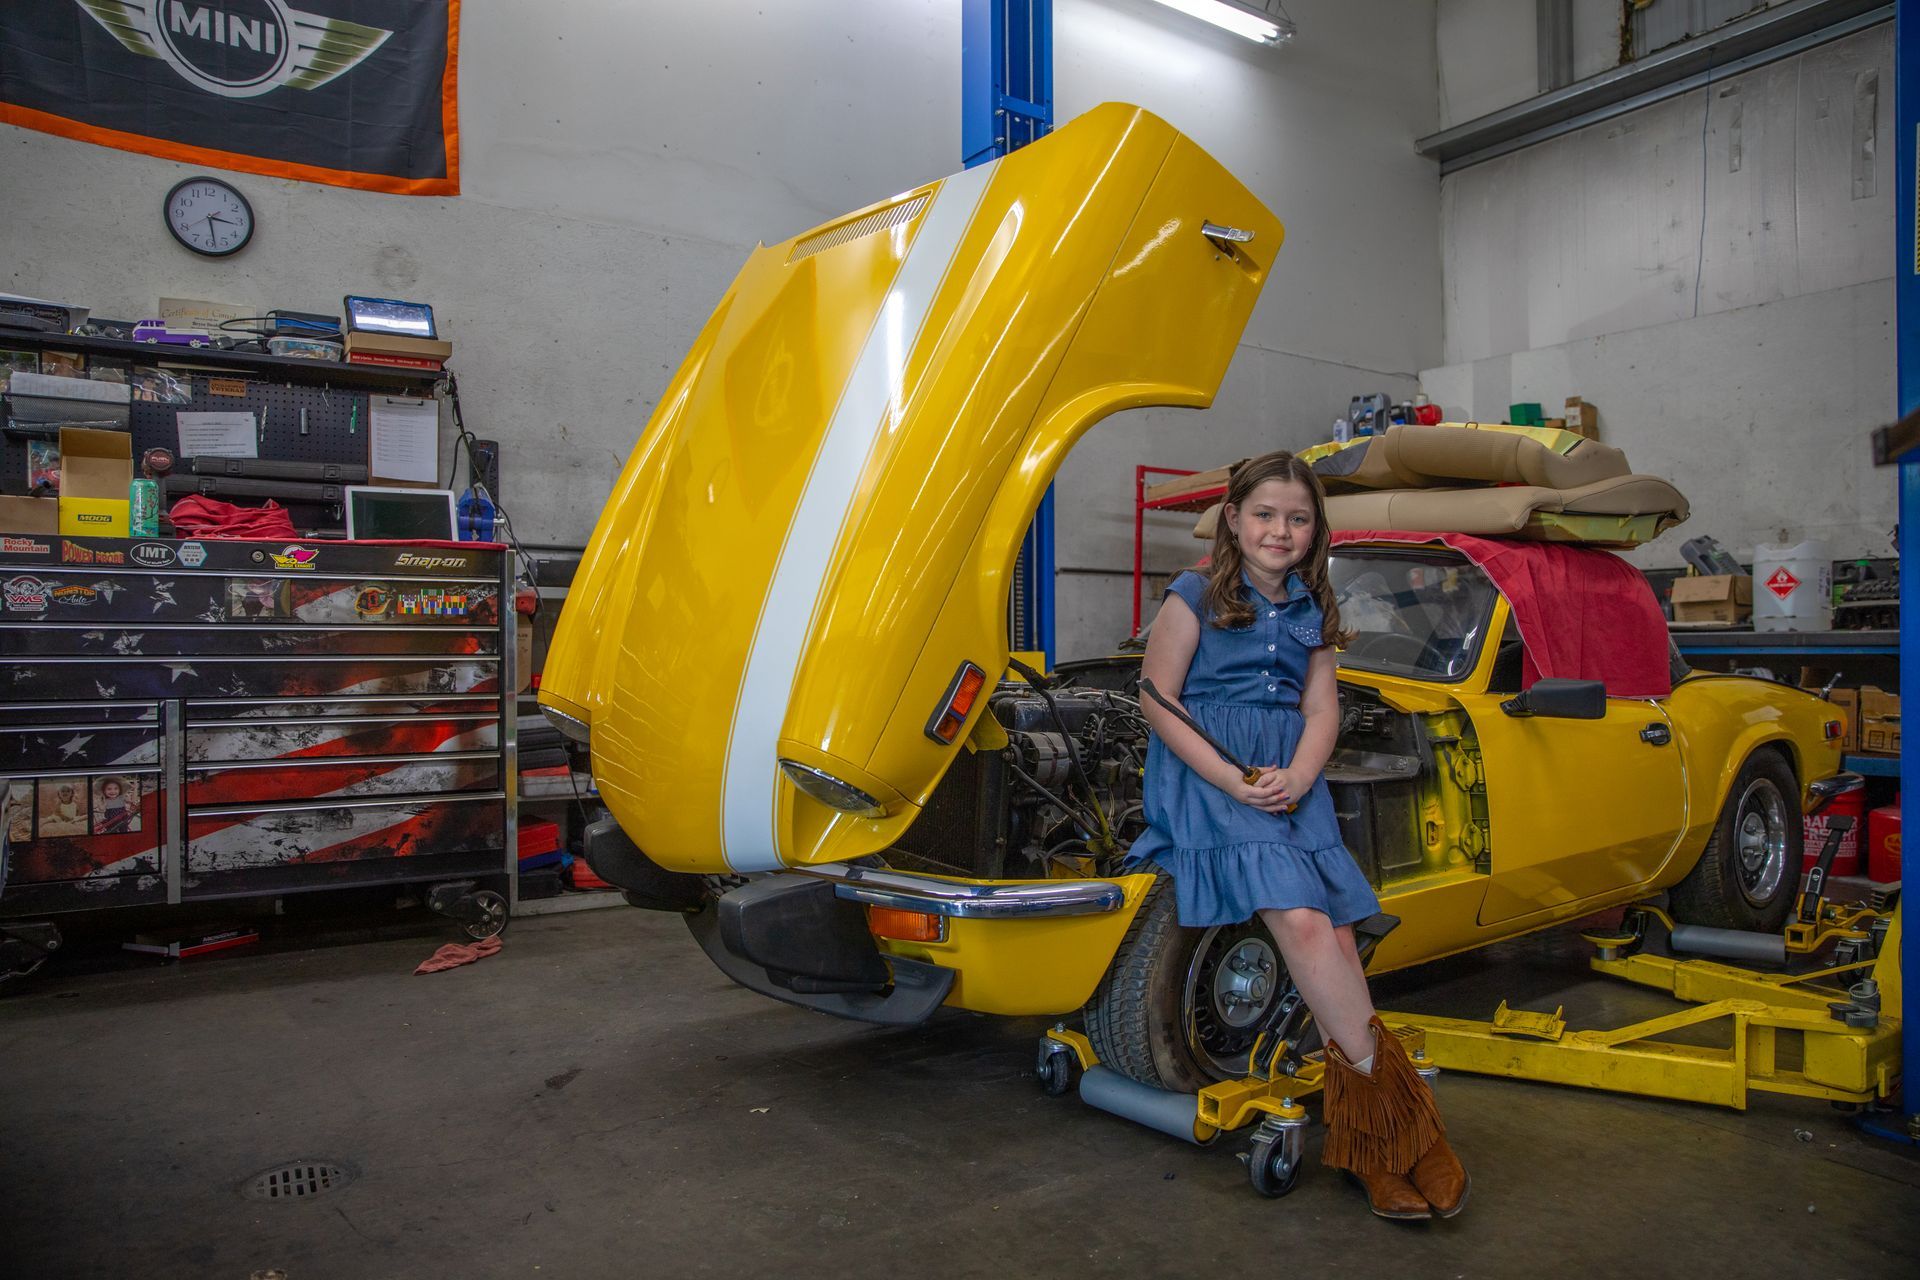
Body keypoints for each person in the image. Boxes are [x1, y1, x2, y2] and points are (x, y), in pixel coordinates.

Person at [1129, 450, 1468, 1220]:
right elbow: (1156, 698)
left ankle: (1370, 1142)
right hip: (1209, 781)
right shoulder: (1192, 595)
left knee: (1342, 942)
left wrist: (1302, 778)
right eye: (1264, 515)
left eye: (1297, 517)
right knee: (1309, 926)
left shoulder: (1313, 608)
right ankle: (1411, 1134)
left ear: (1315, 530)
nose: (1279, 530)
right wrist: (1231, 777)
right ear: (1234, 522)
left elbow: (1323, 712)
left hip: (1290, 787)